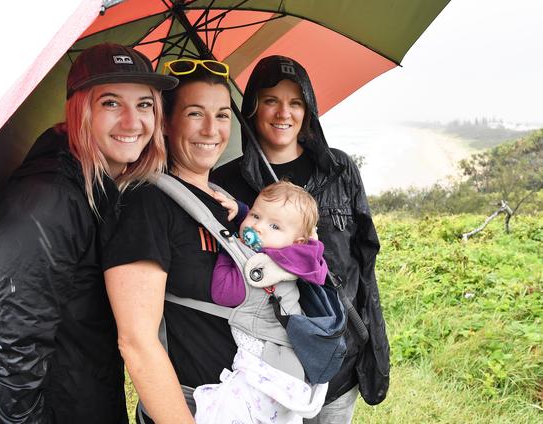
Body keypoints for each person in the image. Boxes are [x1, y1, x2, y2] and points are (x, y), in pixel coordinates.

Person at [0, 43, 178, 424]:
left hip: (80, 393)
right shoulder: (45, 201)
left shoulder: (93, 186)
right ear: (79, 110)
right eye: (110, 103)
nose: (132, 121)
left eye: (144, 104)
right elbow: (14, 355)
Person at [211, 55, 390, 424]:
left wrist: (372, 342)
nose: (283, 113)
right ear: (253, 108)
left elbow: (365, 262)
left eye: (295, 102)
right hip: (264, 376)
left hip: (336, 360)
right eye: (272, 100)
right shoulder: (226, 183)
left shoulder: (340, 171)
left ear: (308, 111)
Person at [103, 58, 236, 424]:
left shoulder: (223, 201)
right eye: (196, 114)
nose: (212, 129)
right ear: (165, 121)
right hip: (196, 410)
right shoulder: (146, 204)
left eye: (222, 115)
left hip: (245, 403)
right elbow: (137, 343)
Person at [193, 180, 329, 424]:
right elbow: (266, 222)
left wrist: (230, 249)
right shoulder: (301, 254)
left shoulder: (263, 266)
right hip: (290, 353)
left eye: (274, 226)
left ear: (296, 240)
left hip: (266, 357)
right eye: (256, 215)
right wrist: (242, 211)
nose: (258, 227)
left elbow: (223, 292)